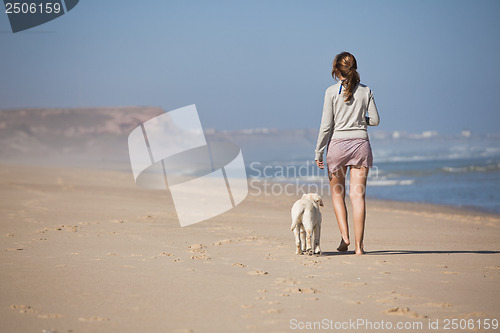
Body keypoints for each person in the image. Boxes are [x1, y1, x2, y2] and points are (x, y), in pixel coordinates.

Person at [314, 51, 380, 255]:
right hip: (361, 145)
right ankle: (359, 248)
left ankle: (345, 238)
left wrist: (318, 151)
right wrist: (360, 121)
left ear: (336, 70)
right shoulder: (366, 90)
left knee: (337, 195)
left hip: (337, 147)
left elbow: (326, 126)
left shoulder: (331, 92)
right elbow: (376, 120)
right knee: (358, 197)